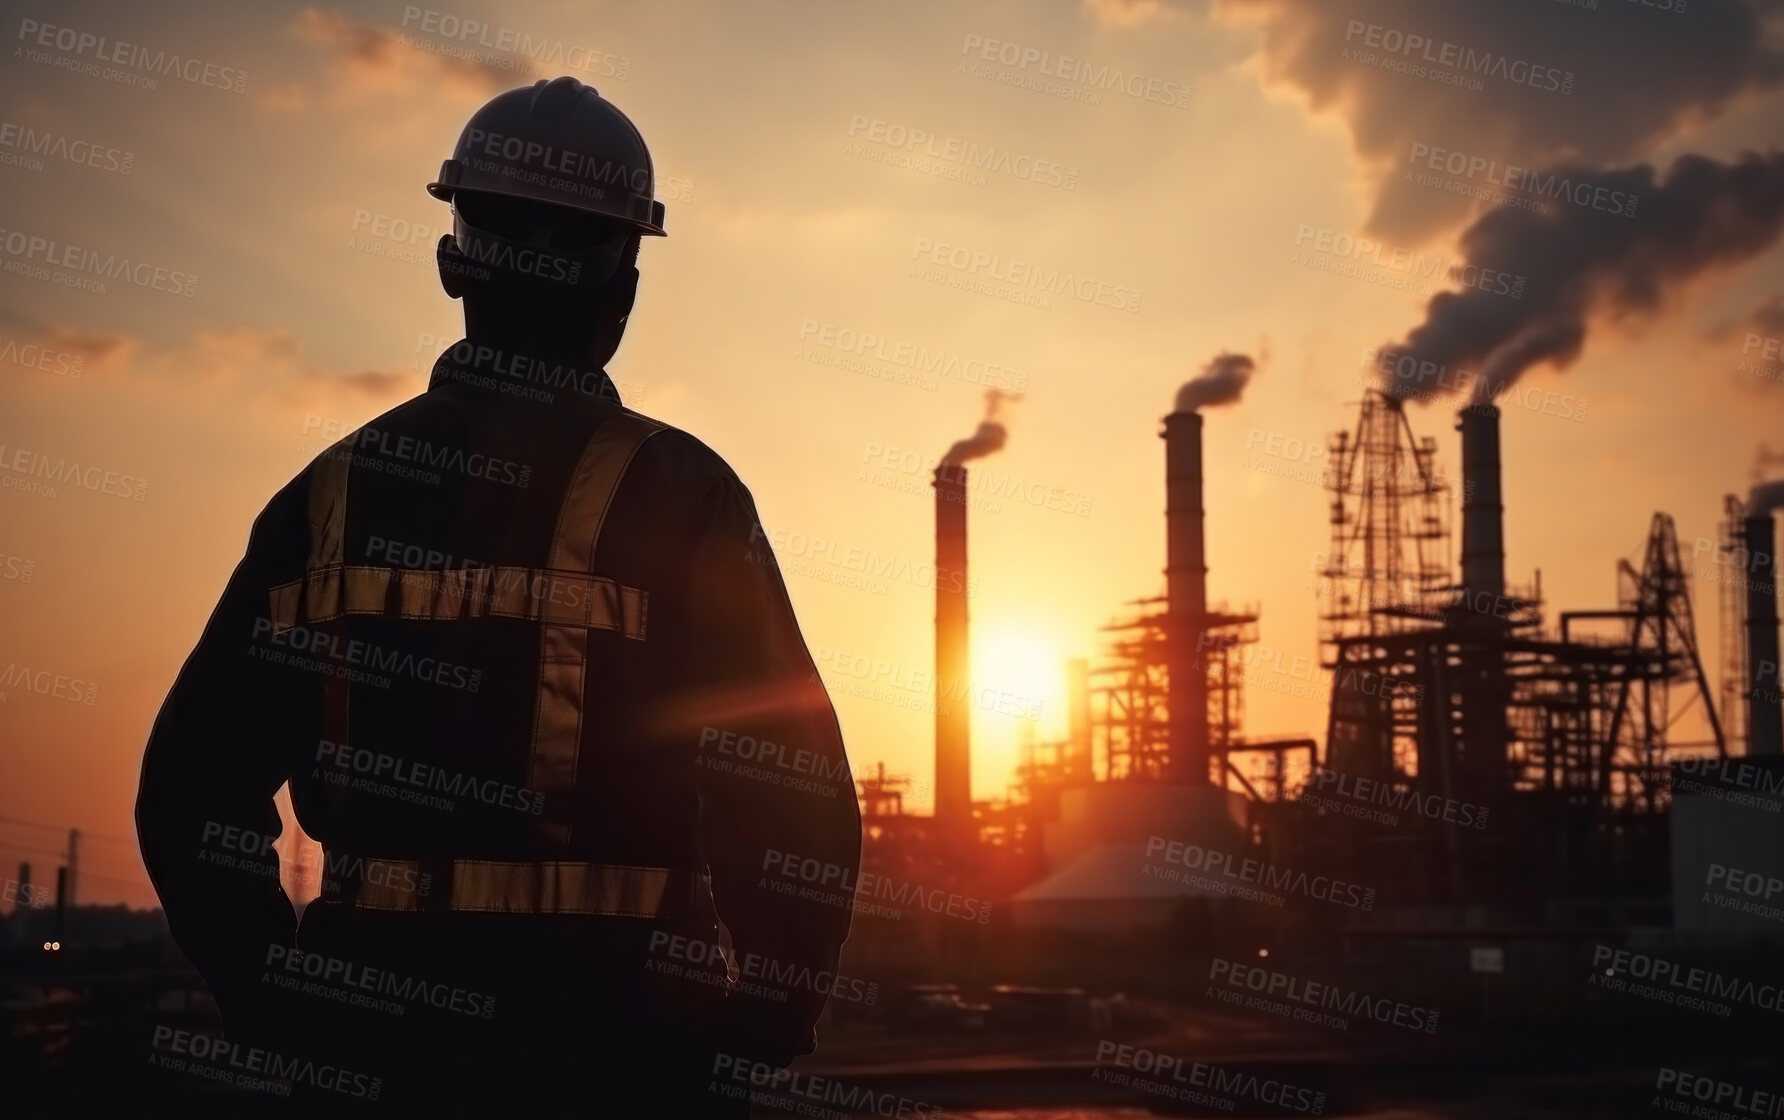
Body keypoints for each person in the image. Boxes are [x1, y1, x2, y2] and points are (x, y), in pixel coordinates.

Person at [136, 76, 862, 1118]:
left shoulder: (324, 495)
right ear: (622, 285)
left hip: (374, 1051)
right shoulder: (682, 496)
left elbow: (187, 791)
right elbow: (793, 797)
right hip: (627, 1051)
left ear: (452, 261)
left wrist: (276, 997)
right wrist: (756, 1026)